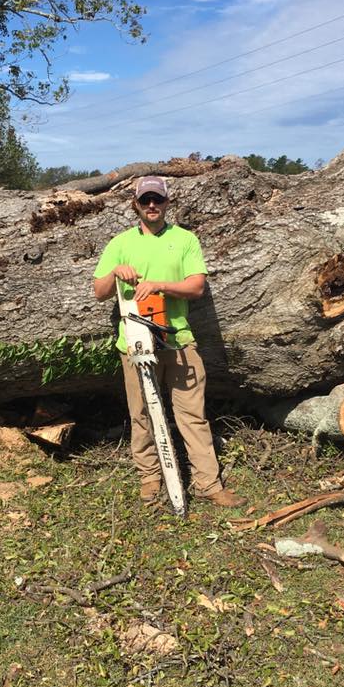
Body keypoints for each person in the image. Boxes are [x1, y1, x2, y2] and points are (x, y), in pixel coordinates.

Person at [93, 175, 245, 509]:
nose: (151, 205)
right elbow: (100, 292)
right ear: (135, 204)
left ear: (167, 203)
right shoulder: (119, 244)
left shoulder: (186, 240)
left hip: (179, 340)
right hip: (134, 342)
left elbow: (196, 287)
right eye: (145, 200)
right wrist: (115, 271)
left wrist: (160, 285)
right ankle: (150, 480)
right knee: (142, 413)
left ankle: (208, 484)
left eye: (157, 200)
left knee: (192, 414)